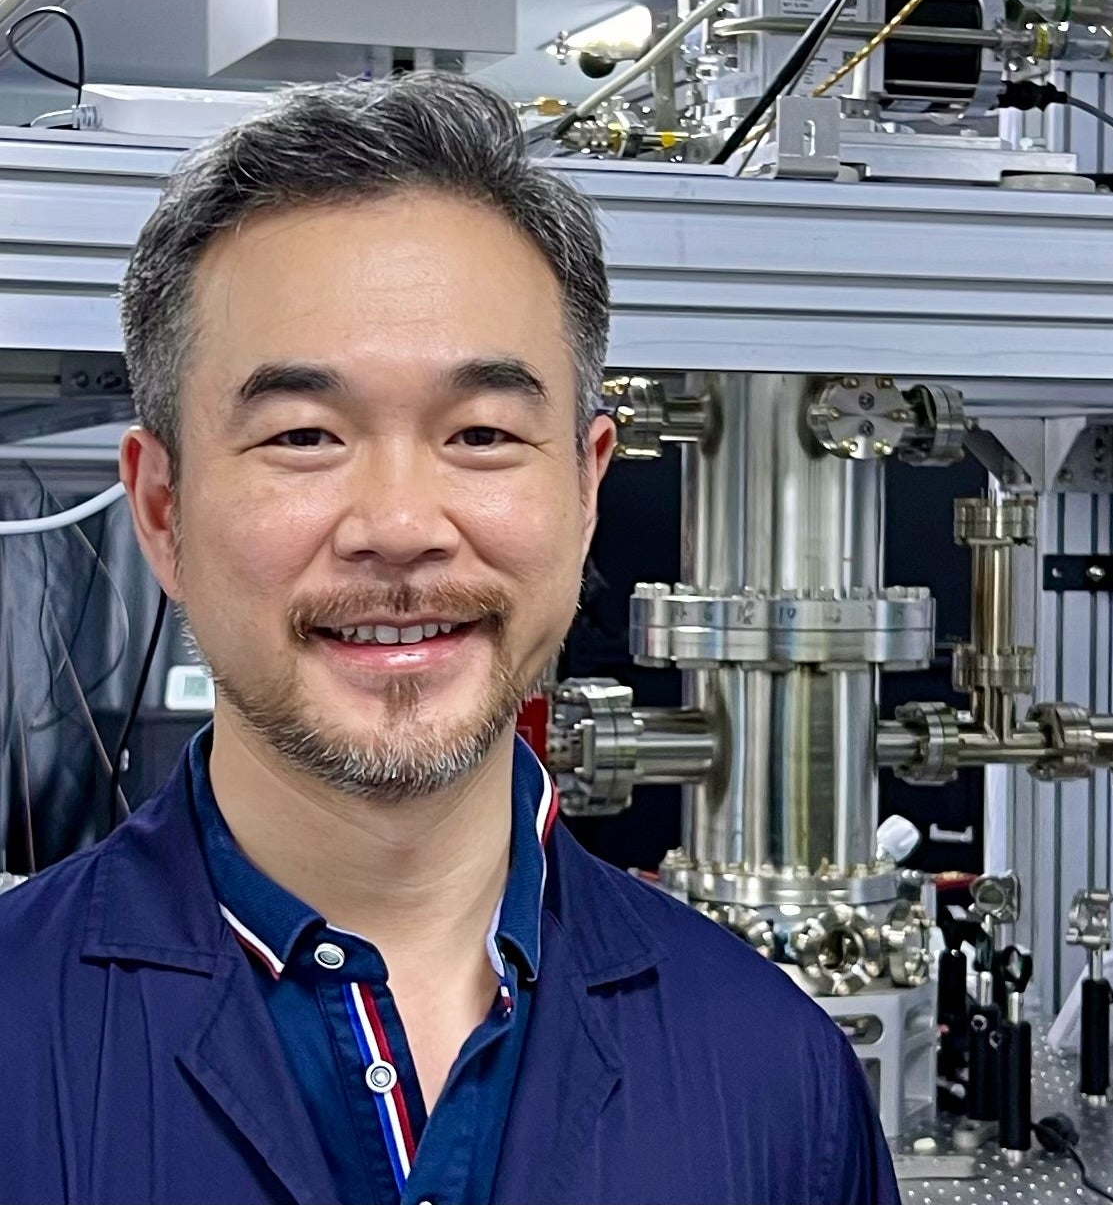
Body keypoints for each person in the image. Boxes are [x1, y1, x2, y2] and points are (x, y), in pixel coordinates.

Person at [0, 74, 898, 1205]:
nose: (402, 529)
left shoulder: (776, 1079)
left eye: (480, 432)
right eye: (304, 434)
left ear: (584, 490)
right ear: (165, 510)